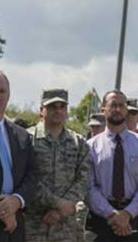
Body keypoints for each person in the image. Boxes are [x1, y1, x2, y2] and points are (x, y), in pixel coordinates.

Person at [85, 90, 138, 242]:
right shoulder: (90, 147)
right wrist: (112, 214)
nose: (117, 109)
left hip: (135, 216)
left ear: (126, 109)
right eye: (113, 105)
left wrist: (127, 214)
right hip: (101, 218)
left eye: (121, 105)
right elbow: (89, 186)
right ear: (103, 109)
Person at [0, 71, 38, 241]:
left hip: (14, 227)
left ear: (9, 95)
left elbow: (33, 174)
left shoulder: (21, 135)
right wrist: (3, 210)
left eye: (2, 91)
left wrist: (17, 200)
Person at [25, 88, 91, 242]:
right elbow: (27, 178)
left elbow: (84, 179)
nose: (58, 111)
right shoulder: (27, 139)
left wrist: (61, 211)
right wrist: (57, 203)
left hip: (66, 228)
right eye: (52, 106)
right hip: (33, 225)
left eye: (62, 107)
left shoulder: (78, 142)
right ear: (42, 110)